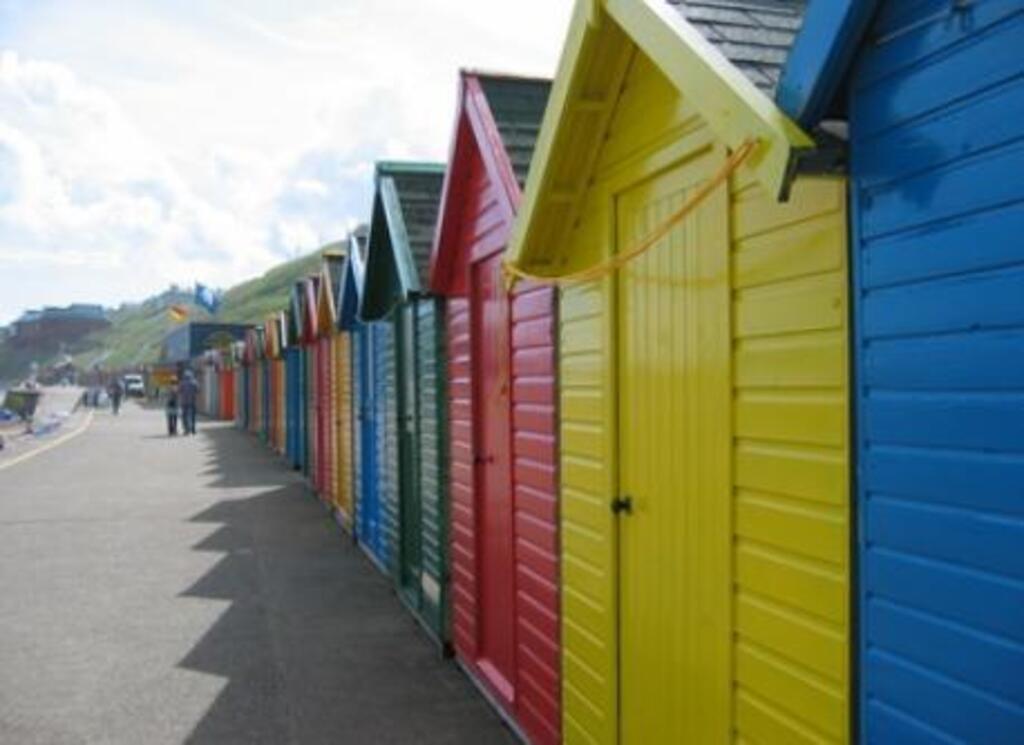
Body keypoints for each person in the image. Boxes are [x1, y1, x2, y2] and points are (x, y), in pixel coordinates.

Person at [178, 370, 199, 436]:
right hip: (192, 401)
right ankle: (193, 430)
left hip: (184, 402)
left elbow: (179, 391)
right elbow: (198, 390)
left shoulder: (182, 383)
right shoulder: (194, 382)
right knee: (192, 416)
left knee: (184, 416)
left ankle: (186, 430)